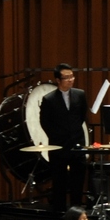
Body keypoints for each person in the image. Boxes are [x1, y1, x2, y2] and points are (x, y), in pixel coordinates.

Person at [40, 63, 89, 211]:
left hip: (77, 144)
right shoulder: (49, 99)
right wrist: (59, 136)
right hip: (58, 146)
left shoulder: (80, 94)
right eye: (66, 77)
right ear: (58, 80)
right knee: (59, 183)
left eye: (72, 76)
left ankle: (77, 213)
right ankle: (59, 214)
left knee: (77, 182)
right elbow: (45, 123)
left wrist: (74, 133)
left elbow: (82, 116)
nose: (70, 80)